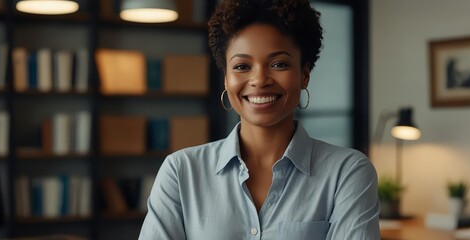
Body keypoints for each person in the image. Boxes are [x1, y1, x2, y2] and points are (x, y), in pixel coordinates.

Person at [139, 0, 380, 239]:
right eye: (242, 66)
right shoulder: (181, 172)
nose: (260, 79)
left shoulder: (347, 173)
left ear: (304, 74)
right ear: (226, 78)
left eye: (279, 64)